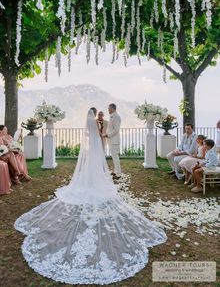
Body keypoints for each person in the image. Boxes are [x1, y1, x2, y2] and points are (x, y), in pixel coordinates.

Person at [15, 108, 167, 285]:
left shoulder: (88, 122)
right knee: (96, 166)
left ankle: (88, 182)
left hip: (90, 147)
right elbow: (99, 133)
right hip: (97, 146)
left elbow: (88, 134)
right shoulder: (95, 122)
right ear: (95, 114)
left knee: (88, 167)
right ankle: (96, 181)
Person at [102, 103, 121, 180]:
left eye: (109, 108)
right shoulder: (112, 116)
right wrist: (106, 134)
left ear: (113, 108)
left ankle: (118, 174)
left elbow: (116, 130)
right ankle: (115, 171)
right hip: (111, 140)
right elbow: (111, 128)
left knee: (115, 157)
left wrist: (108, 135)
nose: (108, 110)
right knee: (114, 157)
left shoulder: (116, 117)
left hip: (114, 141)